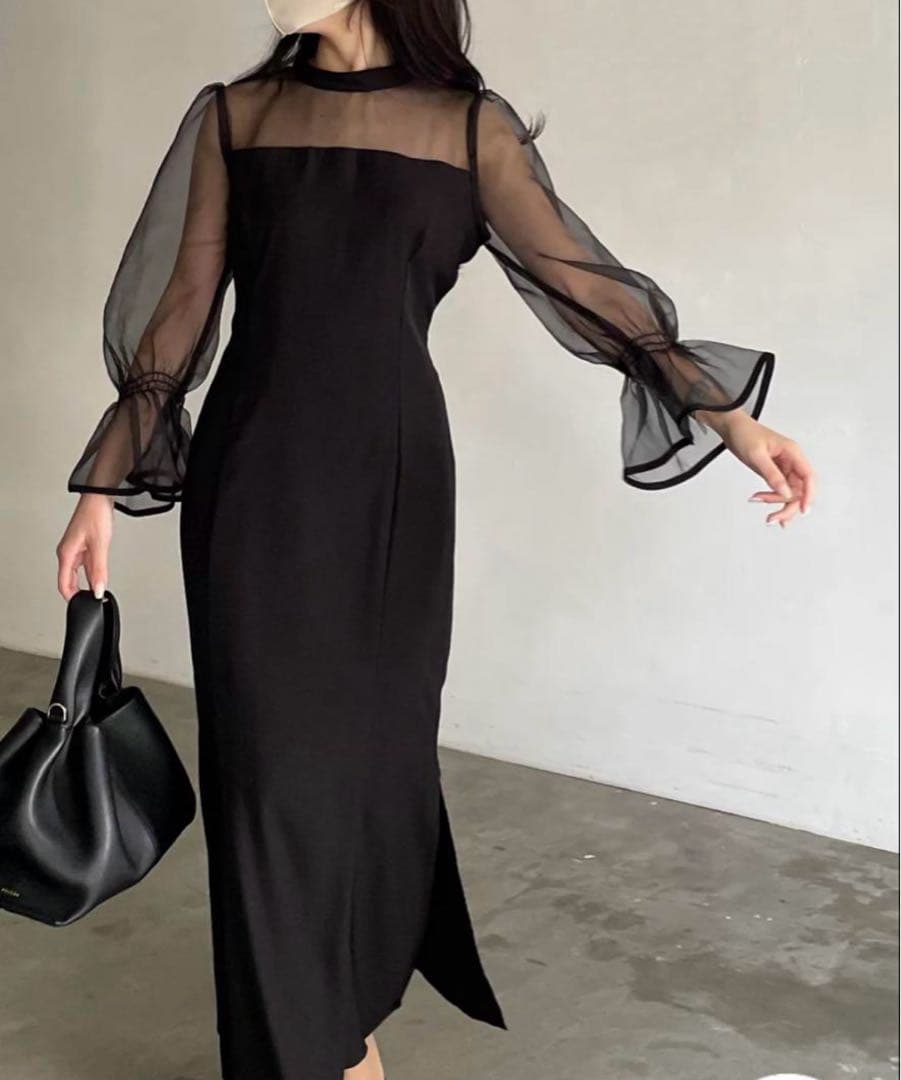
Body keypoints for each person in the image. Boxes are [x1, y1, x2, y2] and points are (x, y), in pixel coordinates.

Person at [55, 1, 816, 1078]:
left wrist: (731, 419)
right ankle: (312, 1051)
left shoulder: (465, 127)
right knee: (264, 777)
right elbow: (181, 309)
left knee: (374, 763)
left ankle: (342, 1019)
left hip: (392, 485)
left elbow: (585, 288)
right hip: (255, 480)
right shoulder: (239, 115)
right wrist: (101, 484)